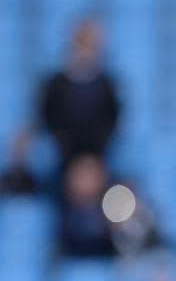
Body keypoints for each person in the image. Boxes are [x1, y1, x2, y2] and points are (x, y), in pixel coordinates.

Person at [11, 18, 120, 191]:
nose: (87, 51)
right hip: (61, 162)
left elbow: (112, 125)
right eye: (83, 43)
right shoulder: (54, 86)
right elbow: (45, 120)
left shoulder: (108, 86)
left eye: (92, 45)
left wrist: (90, 162)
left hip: (97, 161)